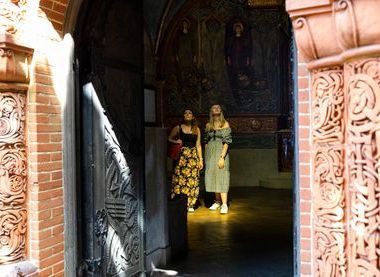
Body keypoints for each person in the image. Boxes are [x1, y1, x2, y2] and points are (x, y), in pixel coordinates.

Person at [169, 109, 203, 212]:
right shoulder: (178, 128)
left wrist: (200, 159)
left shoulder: (196, 129)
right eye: (185, 113)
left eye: (190, 113)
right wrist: (176, 140)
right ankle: (180, 202)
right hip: (181, 158)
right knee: (180, 180)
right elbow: (169, 138)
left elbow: (198, 145)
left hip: (192, 157)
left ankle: (190, 204)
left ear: (193, 116)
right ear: (183, 116)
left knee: (192, 180)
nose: (187, 114)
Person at [204, 104, 232, 214]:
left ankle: (224, 204)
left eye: (218, 107)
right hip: (210, 154)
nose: (216, 108)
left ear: (221, 111)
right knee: (213, 176)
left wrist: (222, 157)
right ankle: (217, 202)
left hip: (220, 152)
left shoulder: (225, 124)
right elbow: (206, 141)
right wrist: (206, 156)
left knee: (222, 176)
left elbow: (227, 142)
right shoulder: (208, 125)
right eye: (214, 107)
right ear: (211, 111)